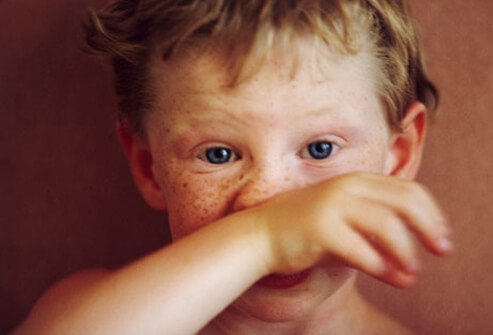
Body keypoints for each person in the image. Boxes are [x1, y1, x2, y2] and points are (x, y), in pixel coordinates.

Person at [13, 1, 453, 334]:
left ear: (397, 155)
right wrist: (266, 238)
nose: (267, 197)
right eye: (218, 154)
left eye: (320, 149)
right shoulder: (93, 312)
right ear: (149, 167)